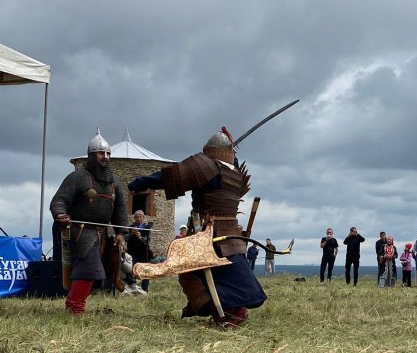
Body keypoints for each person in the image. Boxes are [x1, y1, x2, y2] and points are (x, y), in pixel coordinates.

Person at [128, 128, 267, 328]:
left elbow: (169, 177)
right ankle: (228, 311)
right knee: (228, 275)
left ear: (209, 150)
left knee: (192, 272)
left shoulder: (207, 165)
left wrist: (138, 183)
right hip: (231, 234)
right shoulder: (234, 172)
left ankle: (230, 312)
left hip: (210, 234)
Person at [50, 130, 129, 315]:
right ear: (92, 155)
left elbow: (120, 210)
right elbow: (59, 200)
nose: (105, 157)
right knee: (89, 269)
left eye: (108, 153)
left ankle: (72, 302)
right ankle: (76, 307)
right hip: (81, 232)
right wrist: (60, 213)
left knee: (99, 272)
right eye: (101, 153)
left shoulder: (113, 182)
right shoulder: (78, 177)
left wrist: (120, 233)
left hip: (103, 234)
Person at [126, 209, 152, 292]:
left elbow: (147, 241)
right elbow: (126, 238)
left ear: (143, 217)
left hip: (144, 252)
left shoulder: (147, 228)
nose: (139, 218)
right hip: (132, 252)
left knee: (145, 270)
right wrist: (132, 235)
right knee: (130, 269)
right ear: (134, 218)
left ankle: (144, 289)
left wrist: (140, 237)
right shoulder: (130, 227)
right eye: (137, 217)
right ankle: (132, 287)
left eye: (140, 217)